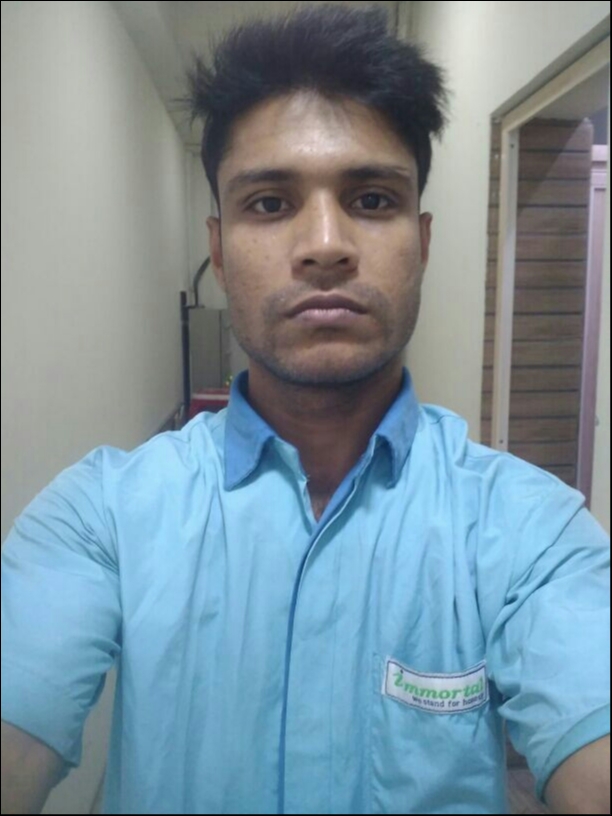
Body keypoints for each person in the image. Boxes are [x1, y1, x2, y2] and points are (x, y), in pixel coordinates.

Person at [1, 4, 609, 814]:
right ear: (218, 252)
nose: (326, 243)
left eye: (372, 198)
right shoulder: (100, 517)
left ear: (424, 242)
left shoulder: (533, 532)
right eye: (269, 203)